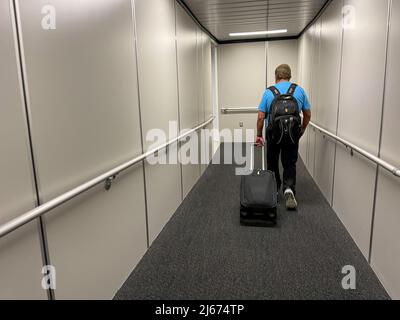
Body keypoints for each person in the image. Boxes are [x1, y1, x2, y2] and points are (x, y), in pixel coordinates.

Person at [256, 64, 311, 210]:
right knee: (289, 162)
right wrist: (302, 129)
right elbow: (308, 114)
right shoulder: (299, 91)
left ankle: (274, 189)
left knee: (272, 161)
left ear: (276, 77)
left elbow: (261, 117)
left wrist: (259, 135)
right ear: (289, 76)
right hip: (292, 134)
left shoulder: (269, 92)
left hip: (273, 134)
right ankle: (289, 189)